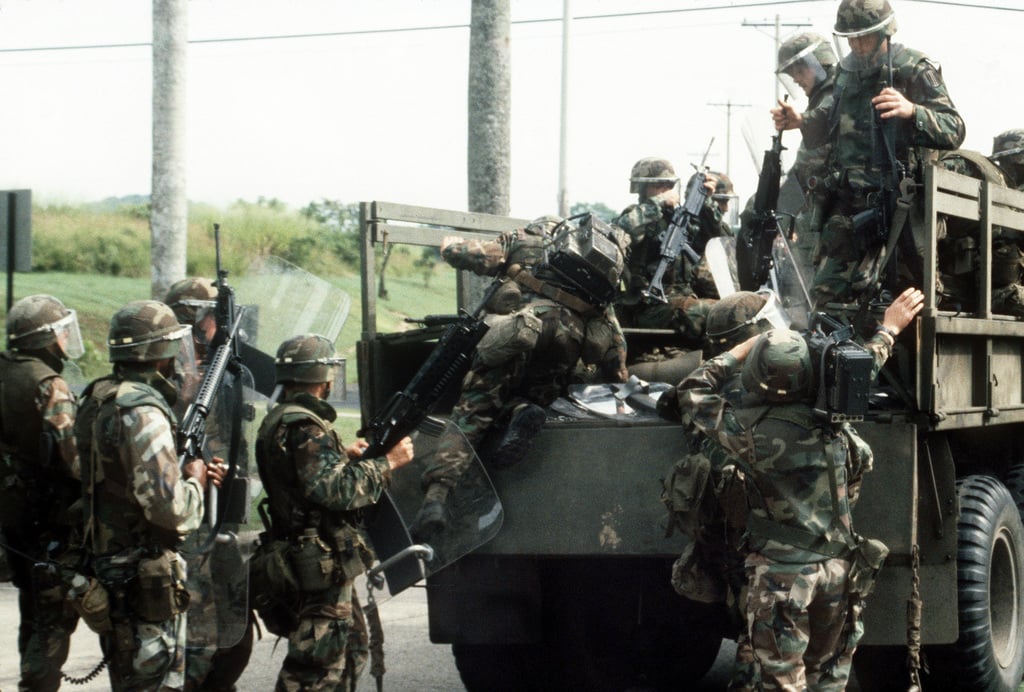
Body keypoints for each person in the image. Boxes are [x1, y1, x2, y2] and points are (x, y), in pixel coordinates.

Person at [678, 287, 924, 690]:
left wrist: (744, 348)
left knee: (777, 683)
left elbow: (691, 389)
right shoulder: (835, 418)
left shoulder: (744, 434)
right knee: (828, 679)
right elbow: (863, 367)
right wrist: (889, 330)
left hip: (782, 581)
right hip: (839, 572)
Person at [410, 215, 629, 539]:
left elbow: (477, 255)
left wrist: (449, 247)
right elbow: (613, 338)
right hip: (567, 339)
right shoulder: (596, 265)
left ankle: (436, 499)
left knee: (473, 410)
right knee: (537, 392)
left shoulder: (525, 239)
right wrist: (619, 372)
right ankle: (521, 410)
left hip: (519, 332)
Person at [771, 0, 965, 309]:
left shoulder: (914, 67)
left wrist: (912, 111)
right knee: (824, 300)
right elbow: (829, 125)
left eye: (865, 36)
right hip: (850, 210)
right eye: (851, 37)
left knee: (913, 301)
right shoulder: (845, 75)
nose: (857, 45)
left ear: (885, 32)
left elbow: (954, 129)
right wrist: (799, 122)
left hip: (901, 206)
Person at [75, 299, 223, 691]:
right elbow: (172, 512)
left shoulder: (98, 397)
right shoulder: (143, 410)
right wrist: (196, 482)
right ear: (163, 353)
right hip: (143, 580)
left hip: (112, 569)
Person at [254, 334, 414, 691]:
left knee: (351, 649)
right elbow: (334, 491)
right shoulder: (304, 425)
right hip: (316, 565)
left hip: (316, 560)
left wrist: (345, 458)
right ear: (324, 377)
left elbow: (308, 480)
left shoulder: (284, 418)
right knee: (315, 670)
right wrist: (387, 463)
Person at [164, 276, 254, 692]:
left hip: (220, 513)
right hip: (186, 521)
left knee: (226, 630)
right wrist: (196, 473)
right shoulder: (171, 377)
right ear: (195, 320)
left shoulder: (216, 368)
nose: (222, 326)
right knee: (196, 633)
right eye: (214, 317)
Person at [0, 295, 83, 691]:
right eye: (62, 331)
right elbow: (76, 462)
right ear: (47, 339)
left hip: (12, 517)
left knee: (31, 608)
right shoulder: (49, 385)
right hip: (48, 519)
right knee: (51, 616)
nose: (67, 338)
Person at [613, 157, 726, 347]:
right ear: (642, 189)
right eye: (659, 185)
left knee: (732, 308)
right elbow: (621, 231)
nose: (665, 190)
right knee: (715, 313)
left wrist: (706, 202)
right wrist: (656, 204)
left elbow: (715, 237)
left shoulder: (679, 218)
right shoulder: (636, 215)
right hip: (646, 307)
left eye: (669, 184)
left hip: (680, 301)